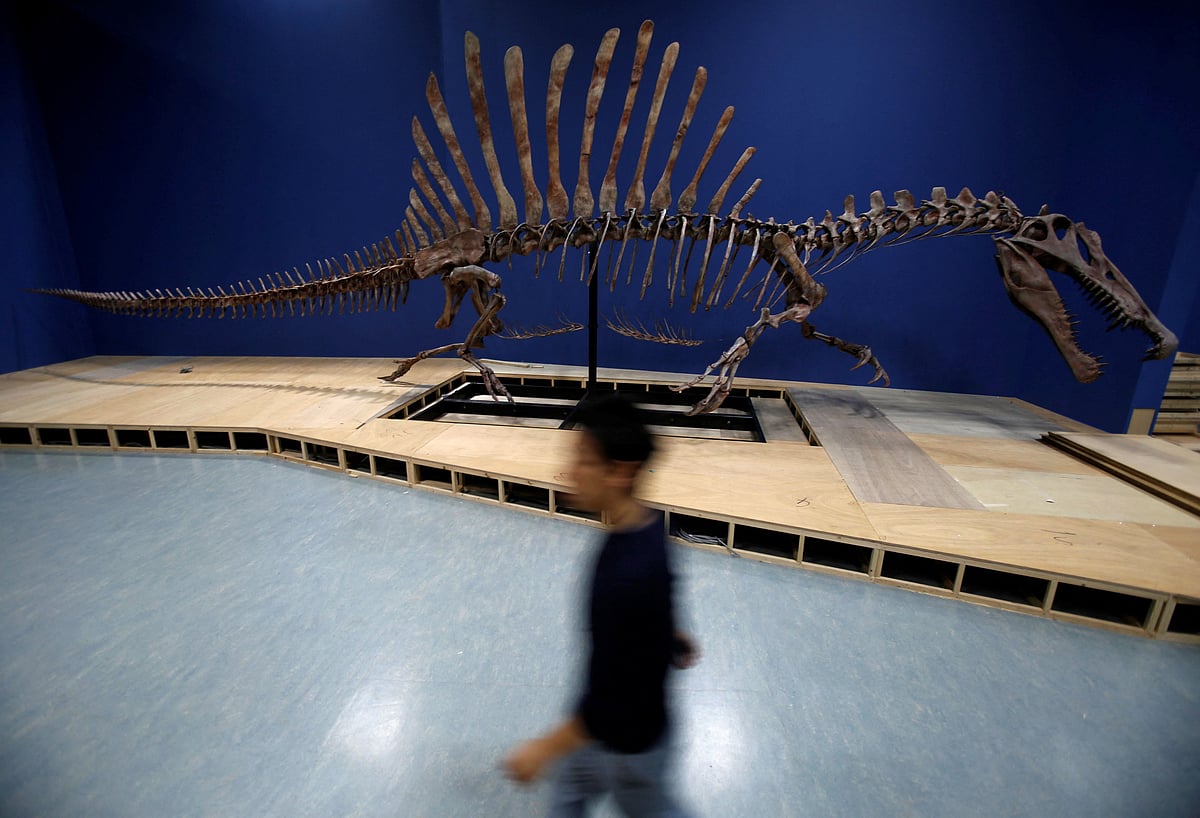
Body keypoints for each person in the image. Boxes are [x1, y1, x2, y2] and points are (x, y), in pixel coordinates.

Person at [503, 393, 698, 817]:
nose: (568, 473)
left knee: (648, 805)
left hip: (626, 742)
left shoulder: (626, 577)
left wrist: (542, 748)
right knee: (568, 792)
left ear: (619, 471)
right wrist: (669, 634)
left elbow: (612, 699)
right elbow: (659, 593)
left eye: (583, 461)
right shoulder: (648, 526)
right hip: (615, 730)